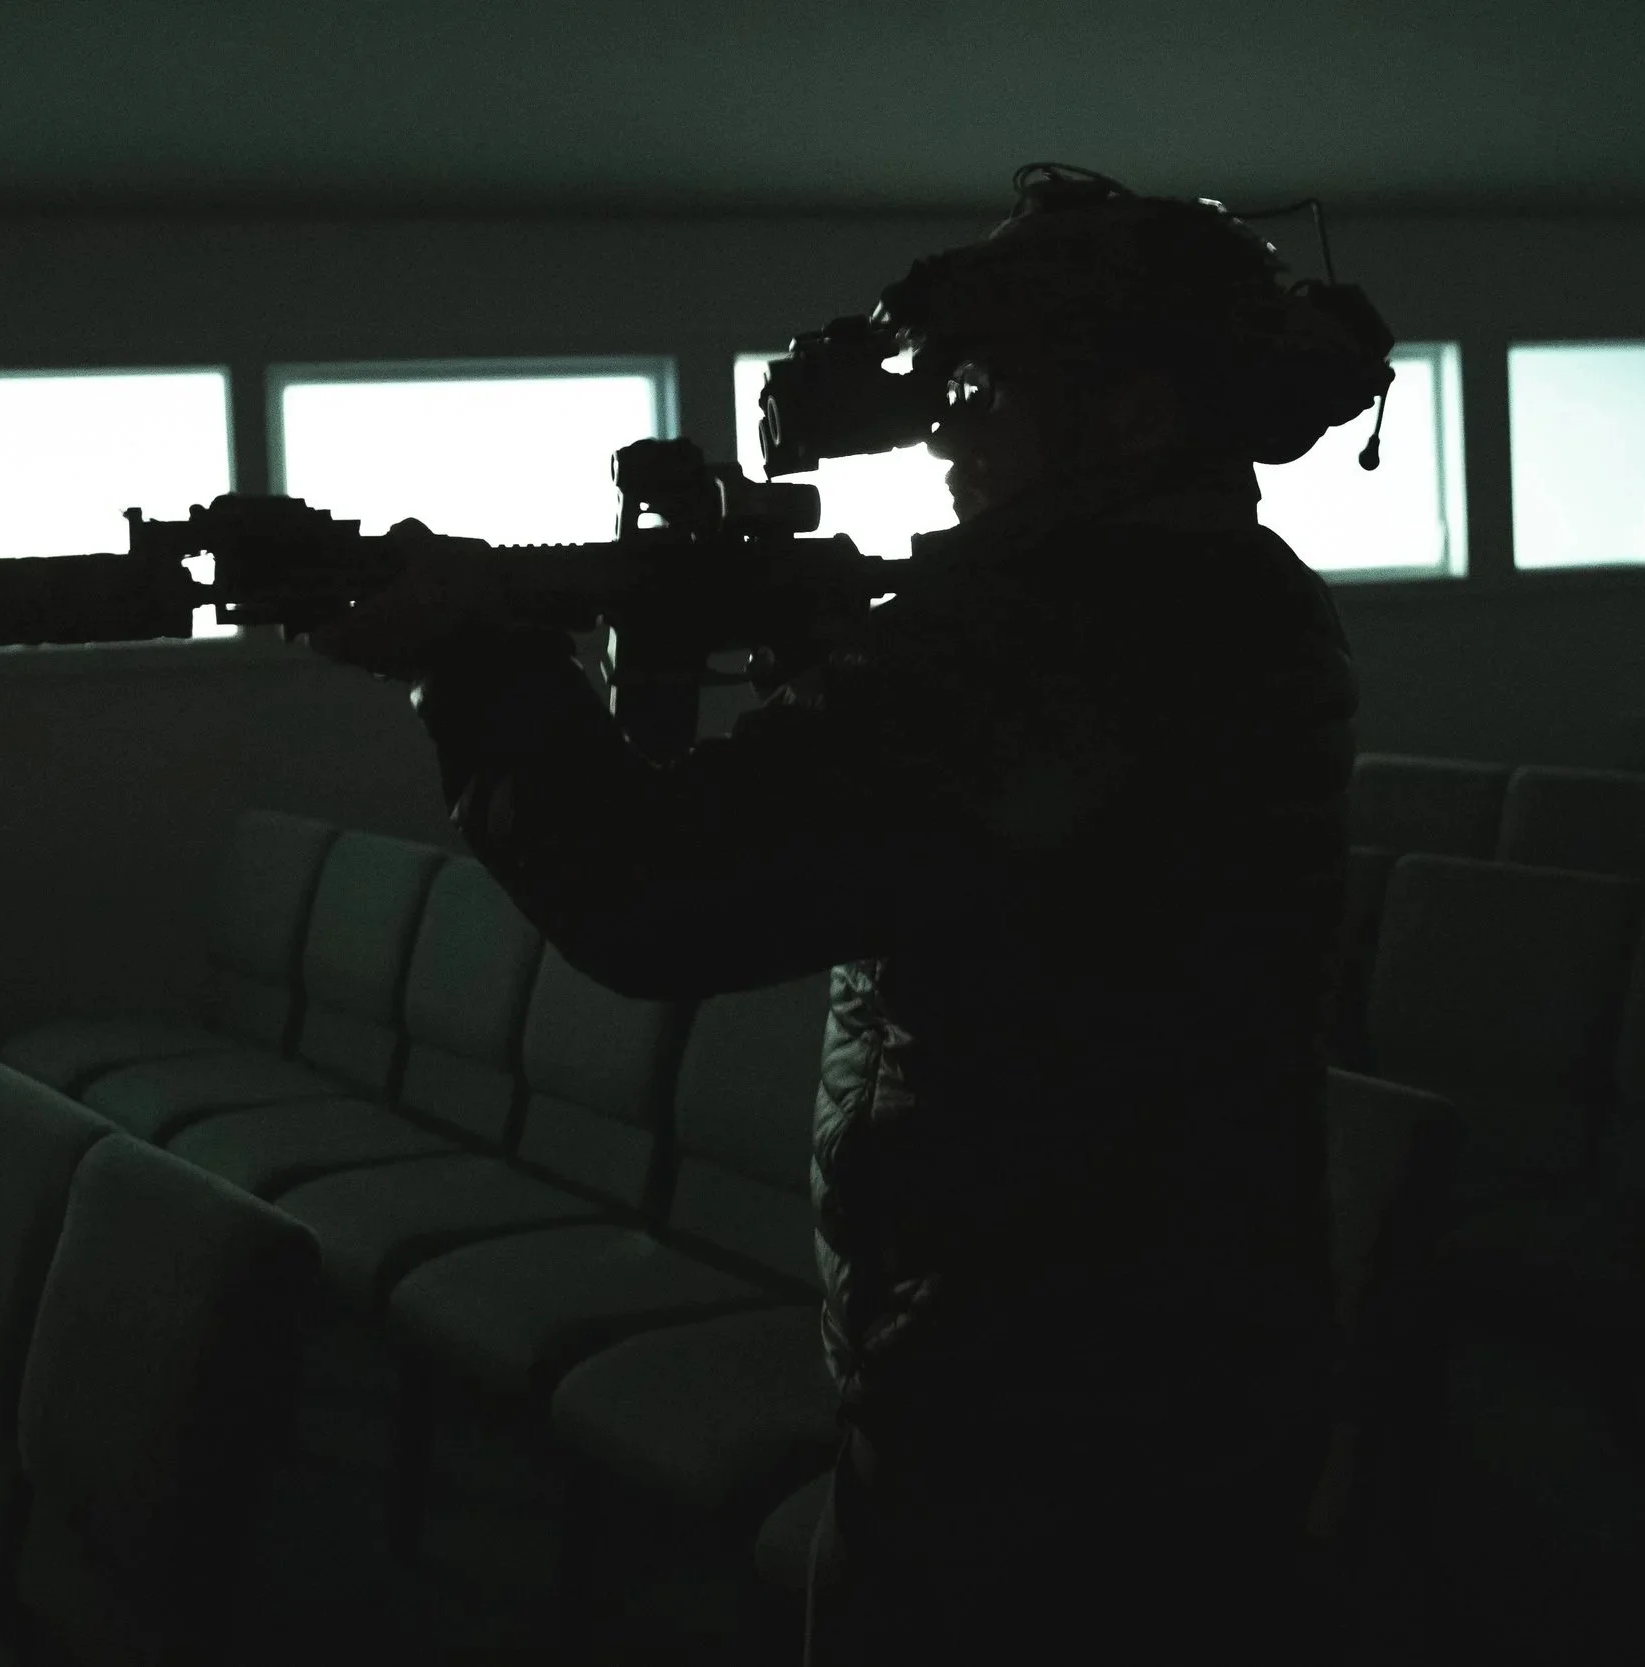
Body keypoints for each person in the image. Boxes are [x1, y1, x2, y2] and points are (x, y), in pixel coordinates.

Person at [310, 165, 1387, 1663]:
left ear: (1139, 418)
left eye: (985, 386)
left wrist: (478, 669)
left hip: (1062, 1366)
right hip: (1106, 1325)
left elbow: (664, 898)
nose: (946, 421)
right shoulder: (1173, 593)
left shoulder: (1084, 626)